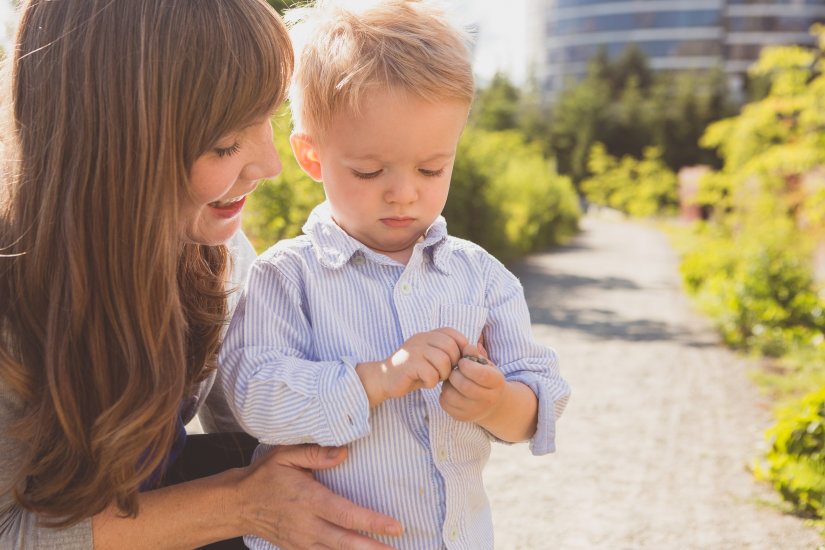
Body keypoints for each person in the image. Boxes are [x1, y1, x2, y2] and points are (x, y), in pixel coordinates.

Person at [0, 0, 404, 548]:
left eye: (269, 117)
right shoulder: (13, 308)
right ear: (116, 152)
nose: (269, 164)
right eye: (225, 144)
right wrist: (242, 506)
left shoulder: (222, 256)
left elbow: (252, 429)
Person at [218, 1, 571, 548]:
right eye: (369, 170)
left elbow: (540, 395)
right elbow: (254, 397)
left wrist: (497, 403)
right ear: (312, 157)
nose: (403, 192)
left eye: (432, 169)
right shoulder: (287, 277)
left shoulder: (480, 277)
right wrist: (378, 378)